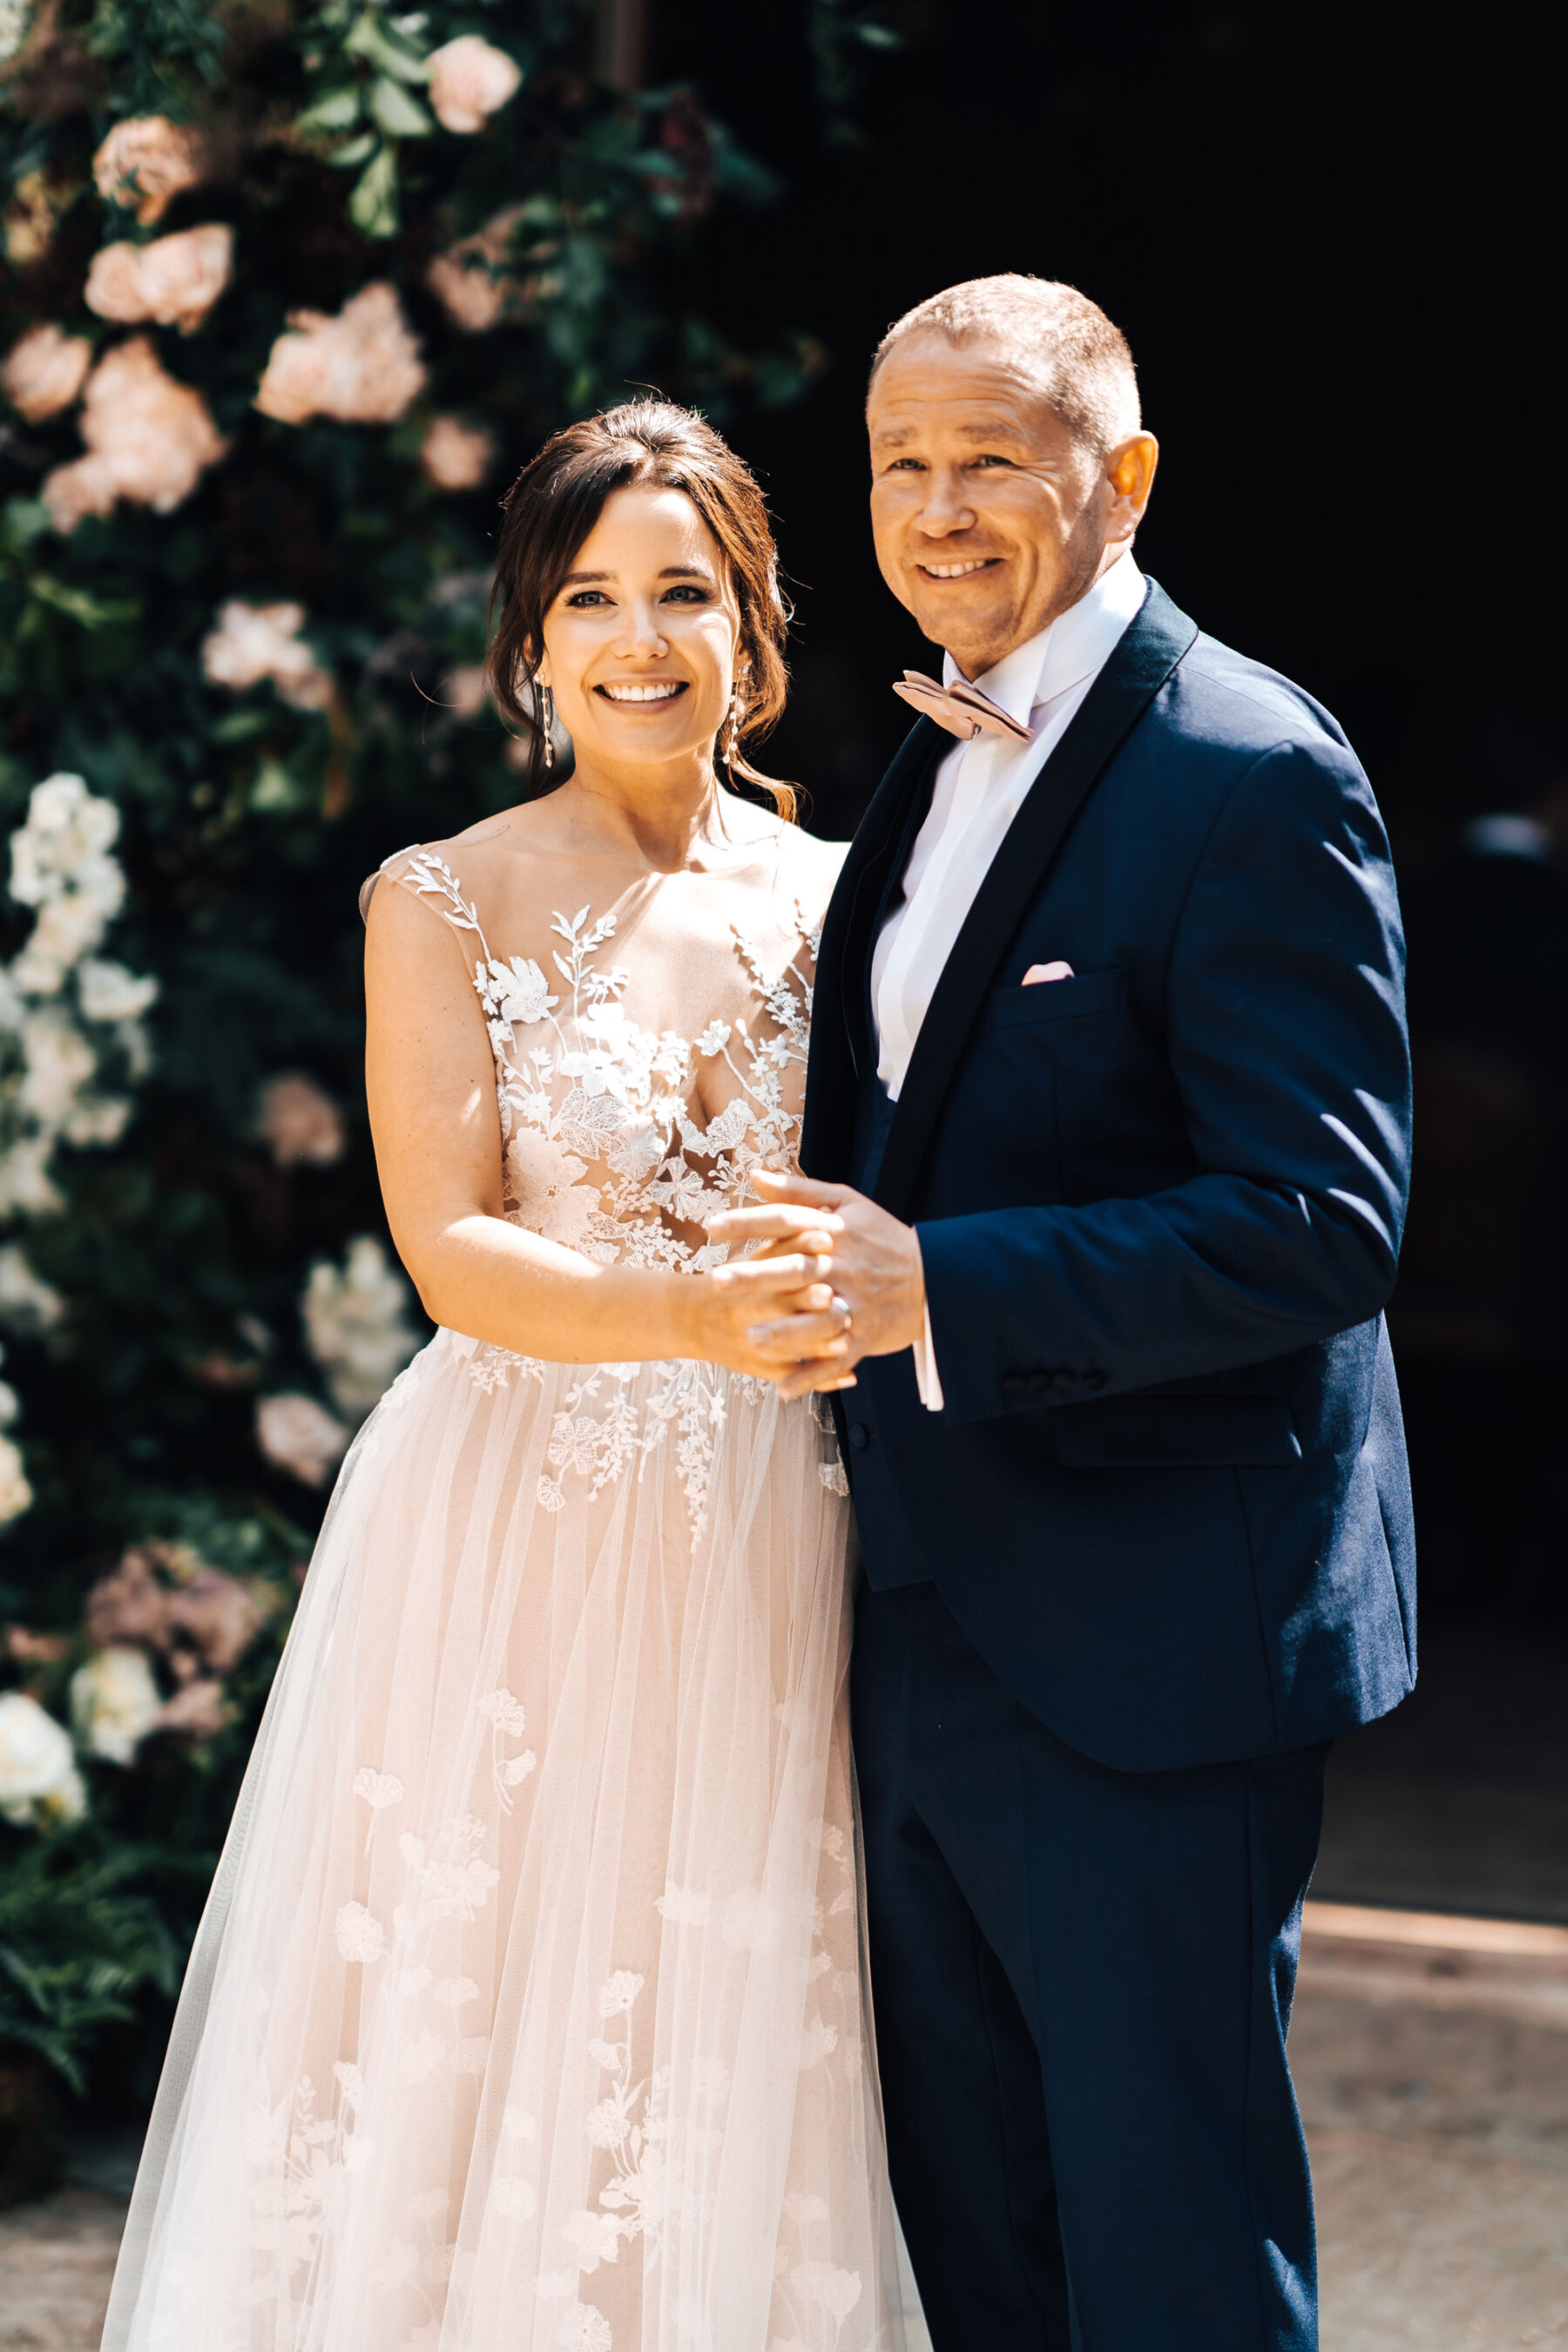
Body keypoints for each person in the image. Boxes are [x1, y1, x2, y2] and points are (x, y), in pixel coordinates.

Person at [101, 401, 906, 2352]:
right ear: (531, 643)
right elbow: (451, 1249)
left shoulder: (848, 897)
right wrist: (697, 1322)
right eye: (595, 597)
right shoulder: (442, 897)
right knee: (475, 1993)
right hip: (521, 1511)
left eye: (687, 592)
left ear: (759, 621)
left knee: (727, 1983)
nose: (644, 640)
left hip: (775, 1517)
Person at [714, 276, 1416, 2349]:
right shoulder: (932, 756)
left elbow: (1320, 1221)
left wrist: (937, 1285)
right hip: (922, 1613)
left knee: (1170, 2254)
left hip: (1154, 1647)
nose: (933, 512)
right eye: (896, 466)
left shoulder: (1248, 764)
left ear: (1121, 482)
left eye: (988, 462)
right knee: (988, 2246)